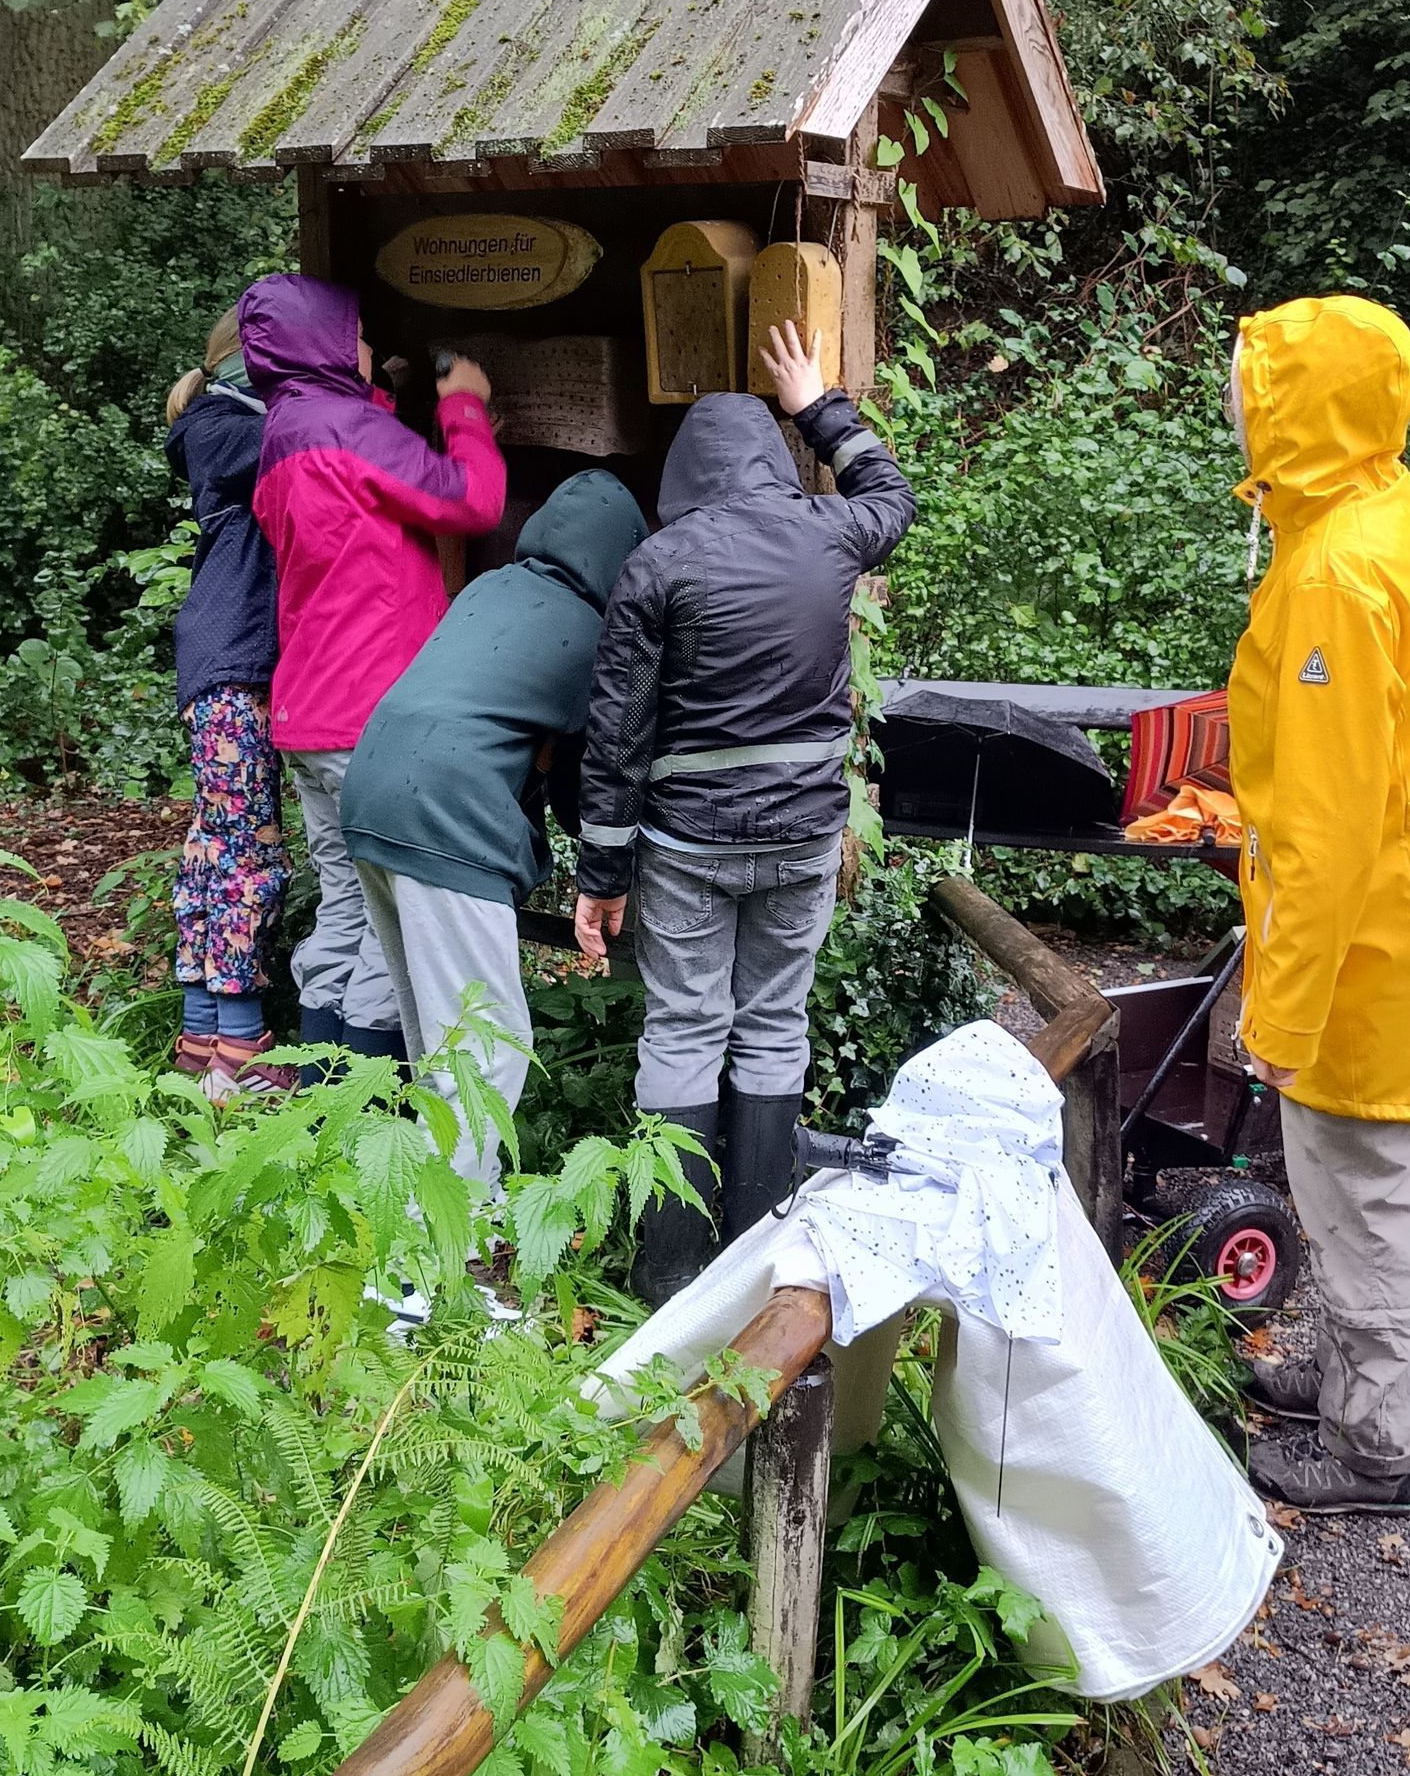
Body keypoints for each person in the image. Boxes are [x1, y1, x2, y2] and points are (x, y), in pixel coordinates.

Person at [1225, 294, 1410, 1515]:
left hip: (1371, 948)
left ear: (1306, 403)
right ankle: (1352, 1384)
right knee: (1353, 1190)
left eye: (1251, 382)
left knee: (1366, 1195)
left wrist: (1278, 1019)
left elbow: (1332, 831)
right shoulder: (1394, 509)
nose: (1234, 403)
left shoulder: (1339, 569)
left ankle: (1379, 1454)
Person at [574, 319, 917, 1307]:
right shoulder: (833, 532)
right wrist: (815, 403)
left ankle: (671, 1270)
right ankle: (760, 1254)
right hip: (806, 832)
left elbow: (617, 734)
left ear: (683, 471)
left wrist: (601, 876)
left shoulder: (657, 563)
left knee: (683, 1028)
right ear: (772, 460)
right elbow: (891, 495)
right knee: (772, 1026)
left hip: (688, 844)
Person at [340, 471, 648, 1212]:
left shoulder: (487, 589)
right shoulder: (593, 630)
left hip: (370, 794)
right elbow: (589, 782)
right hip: (447, 818)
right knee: (486, 1050)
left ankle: (428, 1218)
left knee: (438, 1051)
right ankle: (433, 1265)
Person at [238, 274, 507, 1058]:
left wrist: (381, 397)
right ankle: (367, 1120)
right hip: (371, 718)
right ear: (322, 345)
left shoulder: (287, 429)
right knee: (397, 929)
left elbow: (358, 485)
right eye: (355, 334)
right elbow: (472, 499)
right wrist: (464, 407)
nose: (368, 346)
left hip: (309, 720)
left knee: (346, 912)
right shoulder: (346, 430)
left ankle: (321, 1111)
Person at [165, 310, 292, 1097]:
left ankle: (203, 1032)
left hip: (222, 662)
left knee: (215, 848)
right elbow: (314, 437)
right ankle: (241, 1054)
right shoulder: (227, 427)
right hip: (236, 664)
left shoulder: (220, 424)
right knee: (249, 850)